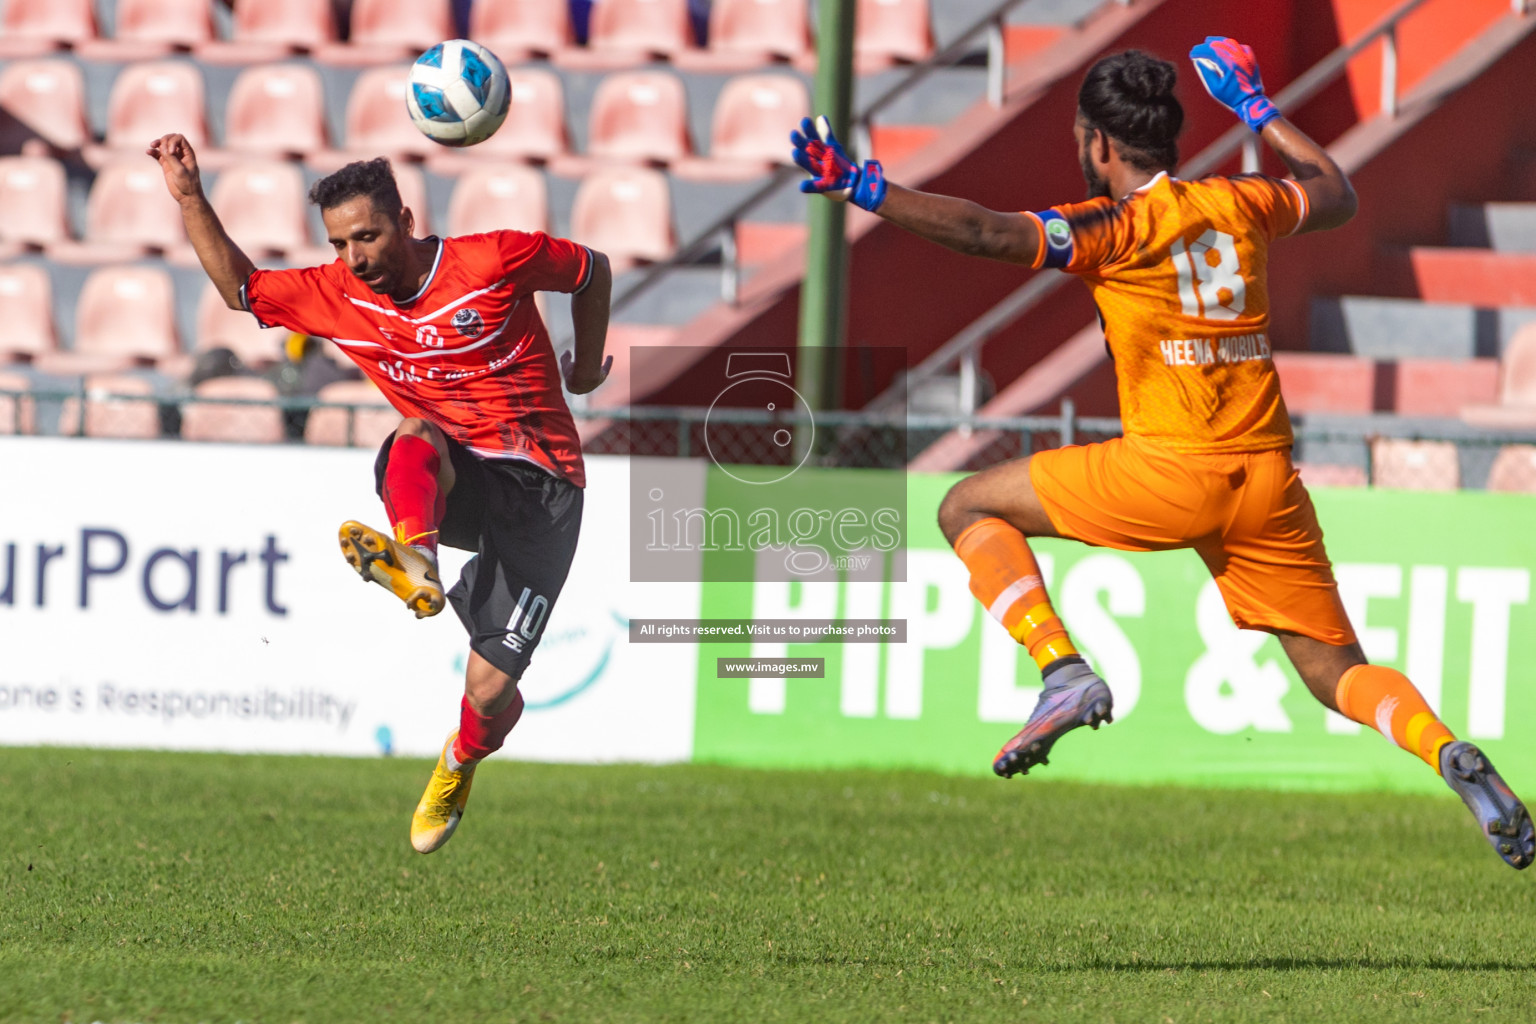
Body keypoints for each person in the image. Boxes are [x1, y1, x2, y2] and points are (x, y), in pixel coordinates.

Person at [791, 39, 1534, 870]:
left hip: (1170, 472)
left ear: (1099, 143)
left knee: (966, 506)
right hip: (1267, 484)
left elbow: (984, 234)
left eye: (1081, 138)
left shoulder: (1113, 227)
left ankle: (1063, 670)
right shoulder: (1239, 203)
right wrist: (1260, 111)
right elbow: (1337, 194)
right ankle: (1444, 750)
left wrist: (867, 188)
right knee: (1337, 674)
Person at [149, 136, 613, 855]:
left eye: (367, 235)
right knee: (412, 429)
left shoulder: (491, 260)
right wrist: (188, 197)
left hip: (542, 484)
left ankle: (460, 760)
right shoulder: (340, 294)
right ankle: (417, 559)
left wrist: (582, 373)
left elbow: (591, 271)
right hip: (451, 472)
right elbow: (240, 289)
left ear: (405, 217)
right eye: (339, 244)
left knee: (490, 692)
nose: (354, 257)